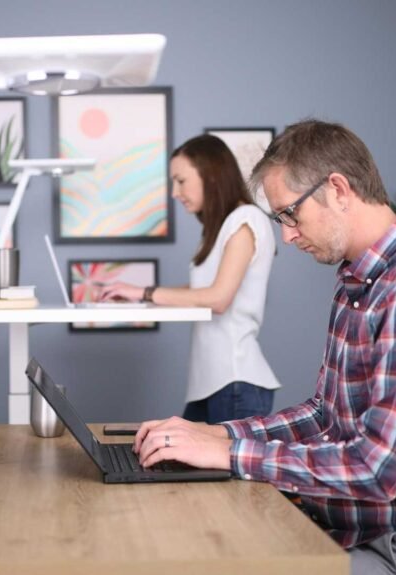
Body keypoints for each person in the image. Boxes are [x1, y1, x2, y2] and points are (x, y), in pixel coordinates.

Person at [131, 120, 396, 575]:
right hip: (355, 535)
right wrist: (221, 434)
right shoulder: (358, 282)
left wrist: (228, 454)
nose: (287, 237)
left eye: (290, 214)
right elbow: (325, 415)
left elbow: (378, 469)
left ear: (338, 189)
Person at [100, 134, 280, 423]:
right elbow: (200, 290)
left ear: (211, 175)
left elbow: (218, 298)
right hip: (211, 384)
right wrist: (140, 295)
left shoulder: (246, 218)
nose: (174, 192)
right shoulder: (221, 227)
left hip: (235, 382)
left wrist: (146, 293)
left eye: (181, 181)